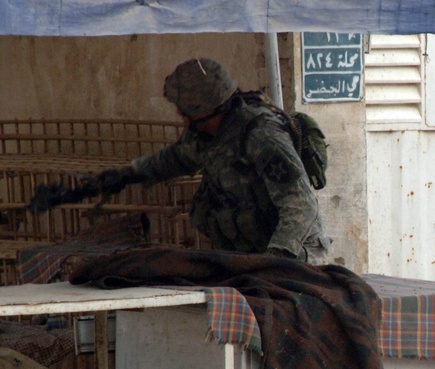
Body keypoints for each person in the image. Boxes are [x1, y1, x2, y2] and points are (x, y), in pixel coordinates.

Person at [94, 57, 332, 264]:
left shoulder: (262, 135)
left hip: (293, 256)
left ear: (213, 107)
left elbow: (300, 204)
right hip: (248, 255)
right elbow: (176, 158)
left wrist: (276, 259)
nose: (185, 121)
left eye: (189, 114)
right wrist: (128, 174)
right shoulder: (206, 132)